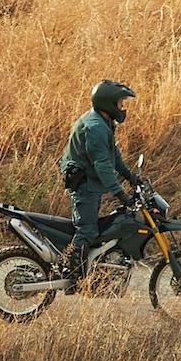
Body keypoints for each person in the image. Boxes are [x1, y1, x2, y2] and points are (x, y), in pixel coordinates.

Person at [56, 79, 140, 274]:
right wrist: (120, 194)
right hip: (84, 184)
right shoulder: (96, 127)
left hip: (89, 182)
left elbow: (113, 154)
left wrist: (130, 176)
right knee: (87, 230)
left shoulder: (103, 121)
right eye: (120, 103)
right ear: (108, 103)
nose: (122, 107)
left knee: (97, 229)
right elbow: (102, 165)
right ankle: (68, 271)